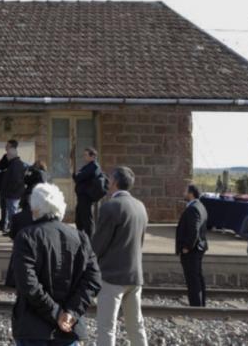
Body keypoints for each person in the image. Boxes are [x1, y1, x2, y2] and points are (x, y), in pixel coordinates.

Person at [11, 183, 101, 346]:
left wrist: (57, 313)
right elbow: (93, 280)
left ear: (36, 209)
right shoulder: (81, 238)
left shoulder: (26, 237)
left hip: (33, 328)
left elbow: (27, 284)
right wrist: (70, 312)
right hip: (69, 328)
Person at [92, 166, 148, 346]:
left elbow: (98, 245)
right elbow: (140, 242)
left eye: (109, 179)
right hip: (135, 275)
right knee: (136, 325)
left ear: (114, 182)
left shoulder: (110, 207)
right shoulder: (140, 206)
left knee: (107, 328)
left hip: (112, 278)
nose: (107, 182)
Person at [176, 185, 208, 307]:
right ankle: (201, 304)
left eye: (185, 191)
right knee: (198, 277)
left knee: (193, 279)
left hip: (192, 250)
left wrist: (187, 247)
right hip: (199, 248)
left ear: (191, 194)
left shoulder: (193, 209)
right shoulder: (200, 206)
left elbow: (194, 231)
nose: (183, 193)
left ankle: (196, 306)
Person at [0, 140, 26, 233]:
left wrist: (4, 169)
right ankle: (5, 225)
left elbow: (16, 179)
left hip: (11, 191)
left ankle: (10, 228)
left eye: (7, 145)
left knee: (11, 210)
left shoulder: (15, 162)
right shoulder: (9, 159)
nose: (5, 147)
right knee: (4, 207)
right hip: (4, 188)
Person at [73, 147, 102, 236]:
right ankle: (81, 238)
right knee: (79, 219)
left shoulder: (94, 166)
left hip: (87, 197)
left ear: (92, 156)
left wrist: (76, 175)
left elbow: (79, 177)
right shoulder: (88, 166)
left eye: (86, 155)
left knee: (87, 220)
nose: (84, 157)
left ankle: (90, 241)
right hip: (82, 197)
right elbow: (78, 176)